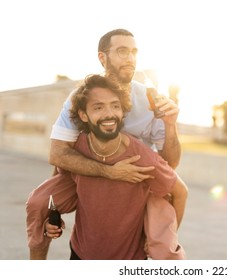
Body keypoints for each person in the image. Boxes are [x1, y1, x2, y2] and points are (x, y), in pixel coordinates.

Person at [26, 29, 182, 259]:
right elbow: (59, 154)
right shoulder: (80, 98)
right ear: (103, 57)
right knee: (39, 203)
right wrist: (54, 205)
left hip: (137, 176)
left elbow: (170, 164)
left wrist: (170, 125)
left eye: (133, 52)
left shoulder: (151, 99)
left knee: (165, 236)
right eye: (121, 51)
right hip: (91, 170)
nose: (130, 58)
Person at [50, 74, 187, 259]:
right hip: (80, 254)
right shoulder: (76, 150)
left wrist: (162, 239)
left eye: (115, 106)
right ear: (83, 114)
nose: (109, 113)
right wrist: (50, 217)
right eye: (98, 107)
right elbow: (57, 181)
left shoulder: (141, 157)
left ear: (123, 111)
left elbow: (180, 192)